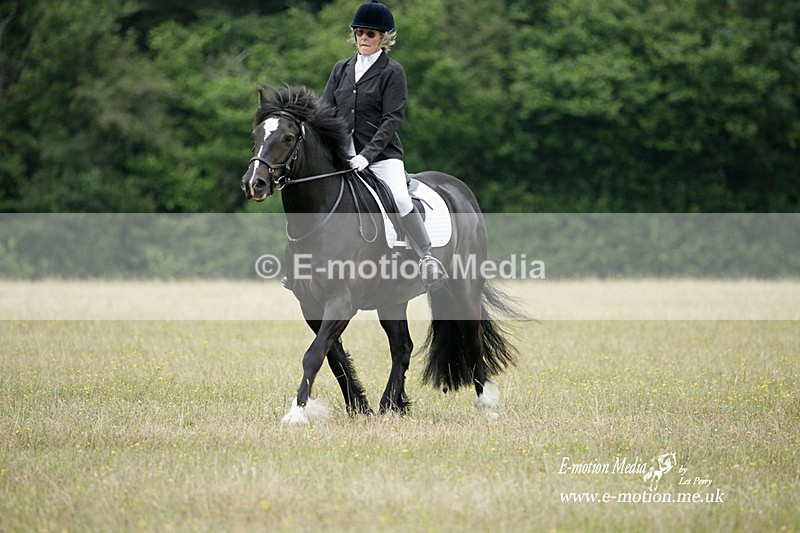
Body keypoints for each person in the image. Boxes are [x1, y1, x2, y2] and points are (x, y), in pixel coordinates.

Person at [321, 0, 447, 289]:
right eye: (359, 33)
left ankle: (427, 257)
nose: (363, 38)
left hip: (382, 156)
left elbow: (392, 119)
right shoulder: (341, 69)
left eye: (370, 34)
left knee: (400, 198)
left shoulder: (392, 72)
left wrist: (366, 156)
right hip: (343, 156)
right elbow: (324, 111)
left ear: (384, 38)